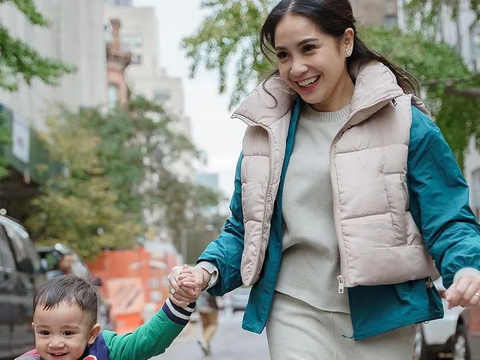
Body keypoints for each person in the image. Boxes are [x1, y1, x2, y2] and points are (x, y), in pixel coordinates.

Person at [168, 0, 480, 359]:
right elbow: (245, 229)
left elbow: (448, 217)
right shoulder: (267, 136)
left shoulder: (407, 124)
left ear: (346, 42)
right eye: (284, 55)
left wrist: (467, 265)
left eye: (309, 48)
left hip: (382, 316)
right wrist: (206, 270)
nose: (296, 67)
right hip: (294, 310)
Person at [16, 271, 195, 360]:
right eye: (45, 333)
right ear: (34, 329)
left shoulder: (107, 350)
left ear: (92, 334)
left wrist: (178, 304)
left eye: (68, 333)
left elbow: (146, 341)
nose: (55, 343)